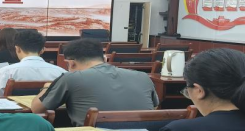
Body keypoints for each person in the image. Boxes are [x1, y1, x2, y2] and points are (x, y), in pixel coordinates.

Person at [30, 39, 158, 126]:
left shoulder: (70, 78)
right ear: (104, 59)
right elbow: (154, 107)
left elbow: (37, 109)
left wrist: (47, 88)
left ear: (71, 63)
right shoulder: (143, 77)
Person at [0, 30, 66, 96]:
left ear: (17, 49)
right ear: (42, 50)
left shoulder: (5, 72)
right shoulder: (61, 73)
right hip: (49, 107)